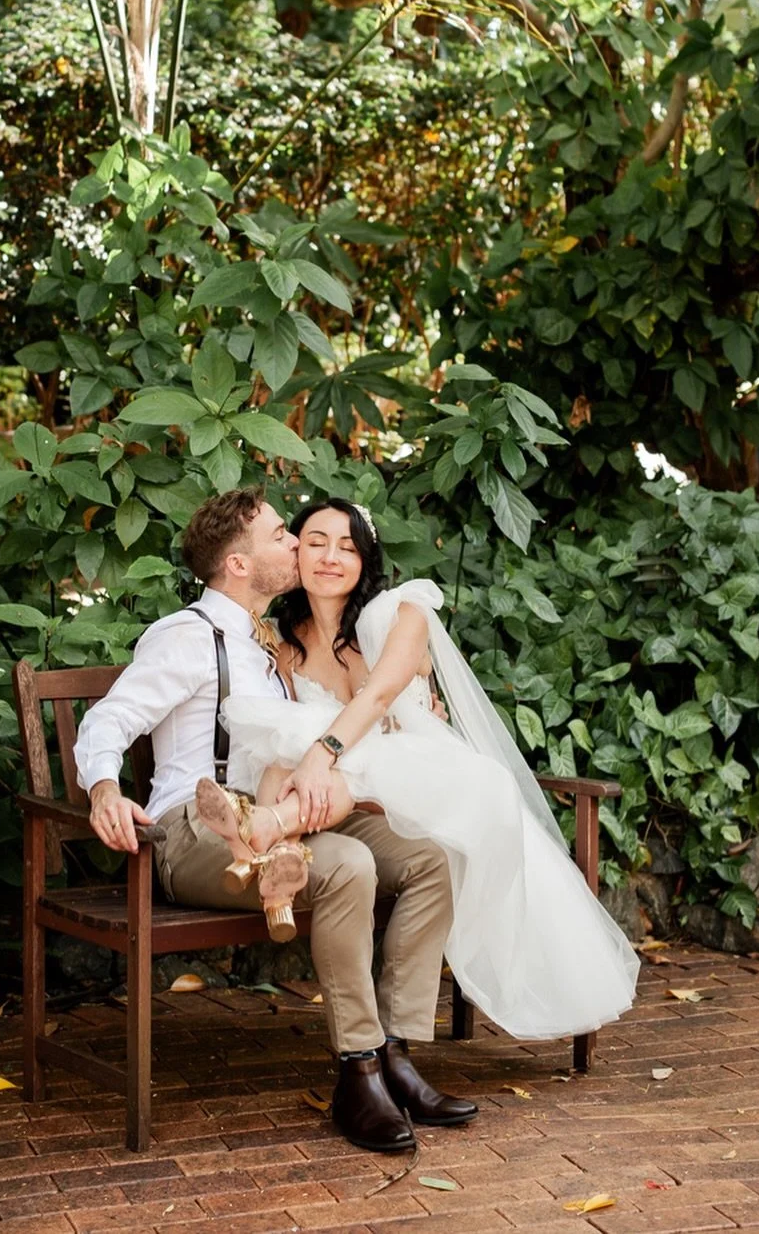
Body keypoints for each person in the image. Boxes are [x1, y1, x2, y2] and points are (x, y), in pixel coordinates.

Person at [74, 486, 476, 1155]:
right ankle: (359, 1069)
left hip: (282, 821)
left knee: (429, 856)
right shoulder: (189, 637)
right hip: (188, 832)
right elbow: (110, 719)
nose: (298, 544)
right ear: (238, 564)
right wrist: (103, 791)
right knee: (348, 865)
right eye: (282, 535)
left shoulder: (275, 644)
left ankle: (397, 1052)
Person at [198, 497, 640, 1046]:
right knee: (286, 742)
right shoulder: (283, 645)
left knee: (322, 752)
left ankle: (263, 830)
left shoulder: (401, 612)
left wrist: (324, 750)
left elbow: (381, 694)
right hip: (349, 802)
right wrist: (313, 755)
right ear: (297, 555)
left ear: (367, 559)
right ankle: (270, 849)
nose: (330, 557)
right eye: (315, 542)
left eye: (347, 546)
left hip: (427, 781)